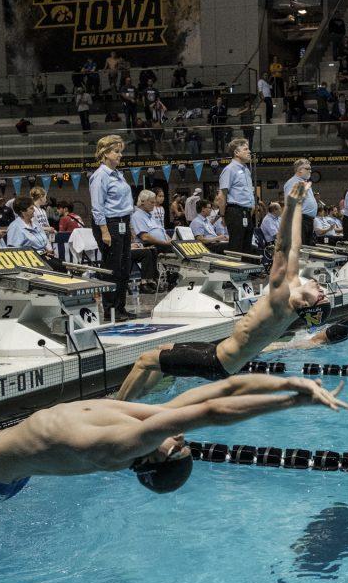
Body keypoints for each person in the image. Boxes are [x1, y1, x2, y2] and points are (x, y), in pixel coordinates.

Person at [0, 374, 347, 523]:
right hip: (7, 466)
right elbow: (223, 389)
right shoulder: (149, 428)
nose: (181, 439)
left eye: (177, 450)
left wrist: (291, 403)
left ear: (150, 460)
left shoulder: (122, 445)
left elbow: (210, 415)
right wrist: (289, 381)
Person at [117, 182, 334, 400]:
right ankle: (140, 397)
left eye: (321, 296)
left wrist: (289, 205)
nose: (322, 288)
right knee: (163, 351)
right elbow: (295, 246)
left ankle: (118, 408)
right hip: (221, 355)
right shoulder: (292, 288)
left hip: (216, 362)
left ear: (306, 305)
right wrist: (297, 208)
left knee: (145, 360)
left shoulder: (281, 301)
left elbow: (281, 247)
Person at [89, 134, 136, 322]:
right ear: (105, 153)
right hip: (109, 224)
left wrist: (130, 227)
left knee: (124, 267)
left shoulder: (118, 174)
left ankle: (121, 307)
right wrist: (104, 231)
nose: (120, 155)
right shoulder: (99, 176)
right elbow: (97, 207)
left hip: (123, 221)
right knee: (112, 267)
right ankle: (109, 309)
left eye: (120, 152)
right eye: (116, 152)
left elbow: (125, 204)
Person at [215, 138, 256, 254]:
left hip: (246, 212)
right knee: (236, 246)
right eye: (246, 149)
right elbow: (222, 195)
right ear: (236, 153)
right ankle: (235, 272)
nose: (249, 152)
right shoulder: (229, 170)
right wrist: (223, 215)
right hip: (234, 212)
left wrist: (250, 209)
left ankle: (247, 272)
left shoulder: (246, 170)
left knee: (247, 246)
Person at [284, 158, 317, 244]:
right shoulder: (293, 183)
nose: (310, 171)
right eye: (307, 169)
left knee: (307, 249)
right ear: (300, 170)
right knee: (301, 250)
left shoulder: (304, 182)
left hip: (307, 220)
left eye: (310, 169)